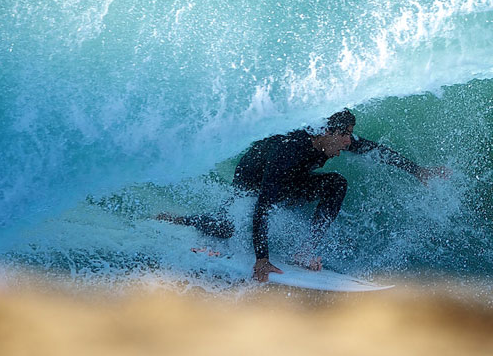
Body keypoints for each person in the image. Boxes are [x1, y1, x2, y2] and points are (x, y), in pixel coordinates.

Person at [158, 109, 450, 282]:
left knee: (336, 183)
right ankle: (180, 220)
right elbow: (262, 205)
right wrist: (262, 259)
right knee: (228, 227)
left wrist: (418, 171)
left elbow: (374, 150)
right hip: (253, 180)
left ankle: (305, 250)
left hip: (293, 178)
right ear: (328, 133)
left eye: (350, 135)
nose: (349, 142)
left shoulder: (328, 139)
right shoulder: (289, 150)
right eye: (345, 135)